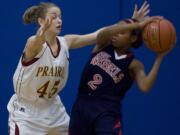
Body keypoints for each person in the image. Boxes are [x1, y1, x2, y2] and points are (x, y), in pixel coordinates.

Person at [7, 1, 149, 135]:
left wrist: (131, 24)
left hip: (53, 109)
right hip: (27, 113)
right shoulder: (33, 42)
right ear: (41, 21)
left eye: (60, 17)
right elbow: (36, 43)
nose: (59, 20)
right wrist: (40, 36)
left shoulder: (66, 42)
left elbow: (97, 35)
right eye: (54, 17)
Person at [68, 12, 170, 135]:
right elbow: (105, 32)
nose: (115, 35)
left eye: (121, 33)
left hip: (107, 111)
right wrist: (134, 24)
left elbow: (145, 87)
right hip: (82, 105)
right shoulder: (103, 44)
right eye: (116, 30)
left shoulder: (134, 64)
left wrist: (159, 58)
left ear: (133, 38)